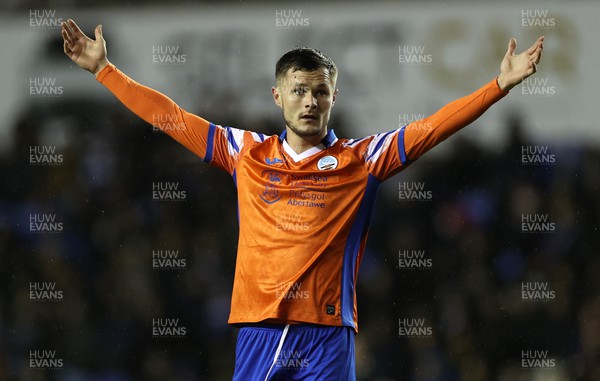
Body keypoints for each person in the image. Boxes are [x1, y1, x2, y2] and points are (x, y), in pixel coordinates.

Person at [61, 18, 543, 380]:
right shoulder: (246, 152)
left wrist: (498, 86)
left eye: (320, 92)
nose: (310, 101)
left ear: (333, 98)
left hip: (328, 332)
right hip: (261, 326)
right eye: (299, 91)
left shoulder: (363, 159)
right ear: (277, 96)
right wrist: (104, 70)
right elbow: (171, 117)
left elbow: (432, 128)